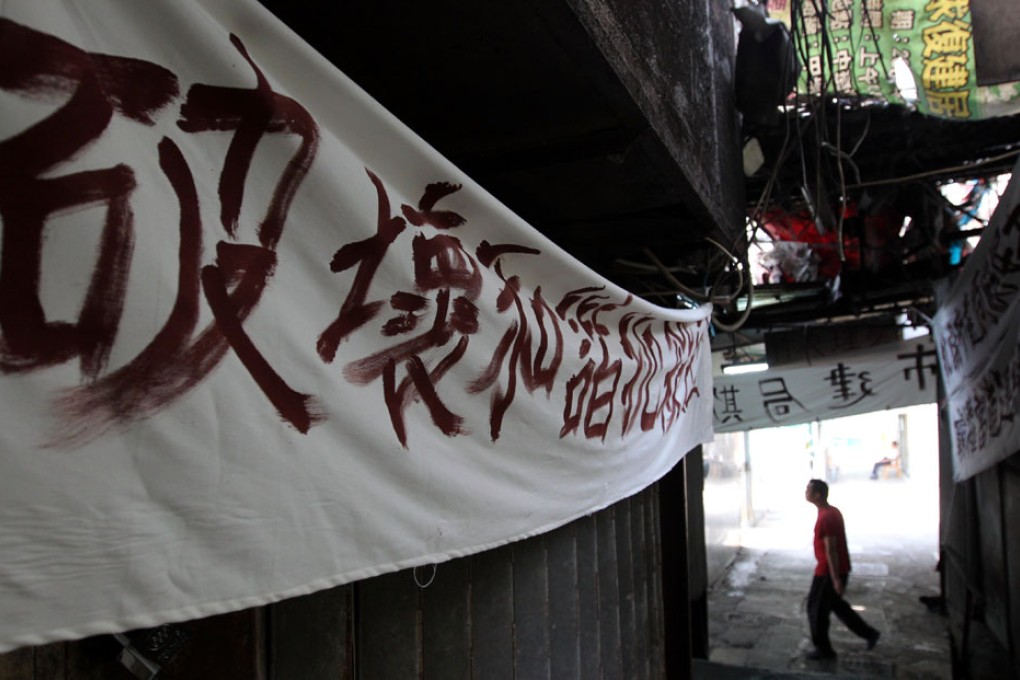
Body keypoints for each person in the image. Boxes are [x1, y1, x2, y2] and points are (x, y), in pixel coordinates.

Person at [804, 479, 881, 660]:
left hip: (828, 572)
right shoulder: (831, 512)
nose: (805, 492)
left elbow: (831, 549)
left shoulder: (826, 517)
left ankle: (824, 650)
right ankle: (869, 634)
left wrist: (836, 578)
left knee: (816, 610)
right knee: (838, 607)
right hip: (835, 570)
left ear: (818, 495)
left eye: (809, 490)